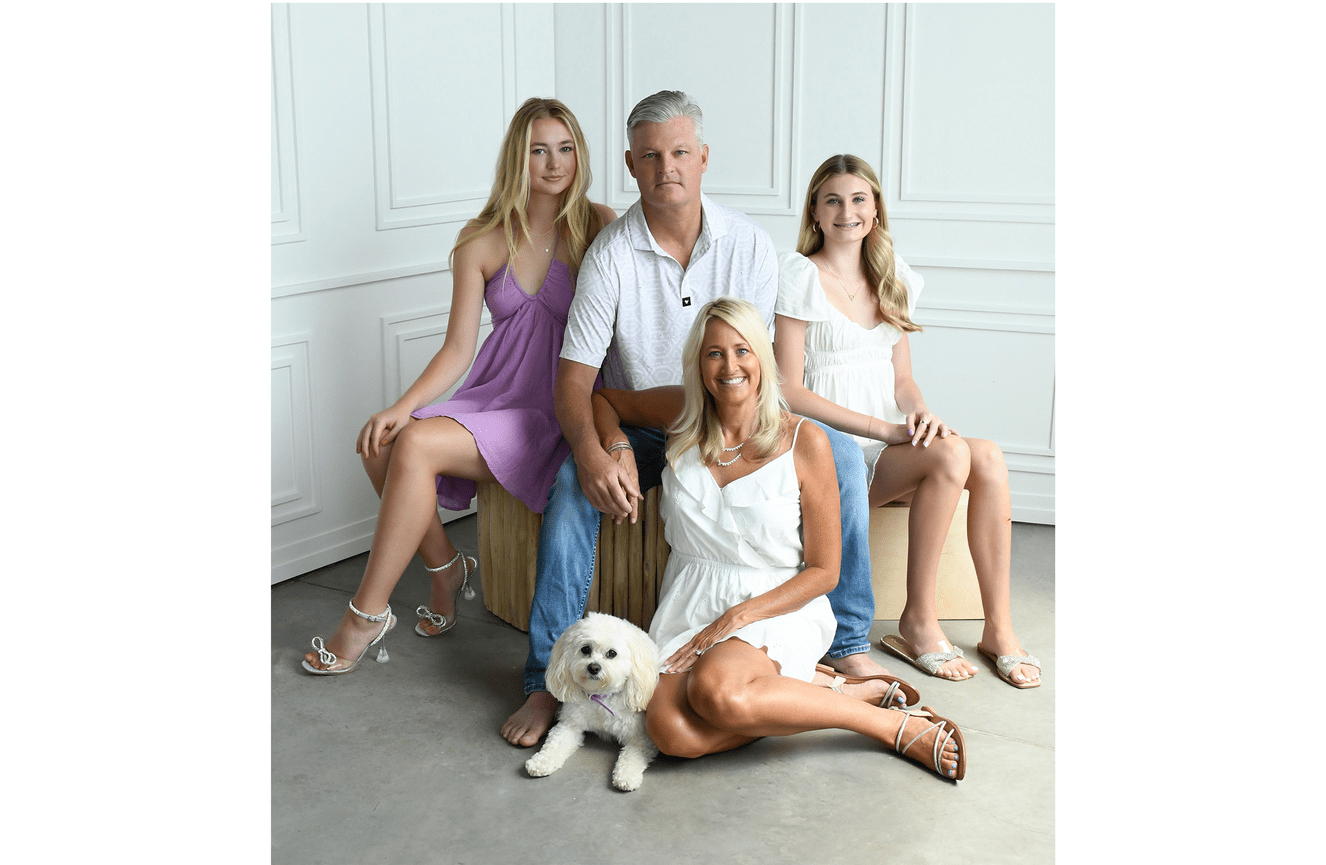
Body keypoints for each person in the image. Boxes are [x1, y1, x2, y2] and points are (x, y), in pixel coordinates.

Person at [502, 91, 890, 747]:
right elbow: (575, 382)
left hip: (742, 419)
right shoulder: (610, 255)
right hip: (654, 426)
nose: (667, 168)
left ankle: (847, 643)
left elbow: (755, 364)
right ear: (631, 164)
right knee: (571, 485)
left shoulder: (748, 243)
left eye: (680, 152)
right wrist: (602, 450)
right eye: (651, 156)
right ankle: (546, 680)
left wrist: (762, 432)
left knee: (844, 454)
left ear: (703, 157)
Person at [302, 97, 616, 674]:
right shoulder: (482, 237)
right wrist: (401, 407)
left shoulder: (597, 226)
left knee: (417, 445)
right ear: (517, 158)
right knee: (381, 443)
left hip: (555, 407)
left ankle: (365, 616)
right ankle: (446, 567)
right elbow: (457, 349)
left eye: (565, 148)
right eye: (538, 150)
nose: (554, 163)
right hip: (497, 394)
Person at [592, 298, 966, 779]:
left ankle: (890, 726)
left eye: (742, 351)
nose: (730, 366)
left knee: (716, 693)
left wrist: (739, 616)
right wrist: (617, 447)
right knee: (670, 732)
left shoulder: (805, 440)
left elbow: (825, 571)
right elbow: (604, 402)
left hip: (777, 604)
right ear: (699, 363)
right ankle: (826, 691)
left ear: (763, 358)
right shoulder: (682, 414)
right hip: (691, 599)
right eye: (714, 353)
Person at [773, 154, 1041, 689]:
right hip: (834, 456)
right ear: (815, 212)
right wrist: (886, 431)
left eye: (859, 199)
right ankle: (919, 620)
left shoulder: (890, 275)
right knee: (952, 453)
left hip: (889, 444)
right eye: (833, 200)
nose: (847, 211)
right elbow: (790, 390)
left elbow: (902, 381)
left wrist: (918, 411)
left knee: (987, 456)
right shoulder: (799, 275)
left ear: (875, 210)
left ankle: (998, 628)